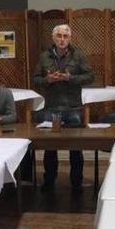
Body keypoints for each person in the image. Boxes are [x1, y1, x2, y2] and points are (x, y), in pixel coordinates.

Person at [31, 24, 94, 192]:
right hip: (51, 107)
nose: (62, 39)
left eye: (65, 36)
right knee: (49, 147)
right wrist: (48, 80)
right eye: (58, 36)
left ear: (70, 38)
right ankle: (49, 182)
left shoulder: (78, 55)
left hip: (73, 107)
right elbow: (35, 79)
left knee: (75, 147)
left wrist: (70, 77)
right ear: (53, 38)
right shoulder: (44, 56)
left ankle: (76, 183)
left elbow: (90, 77)